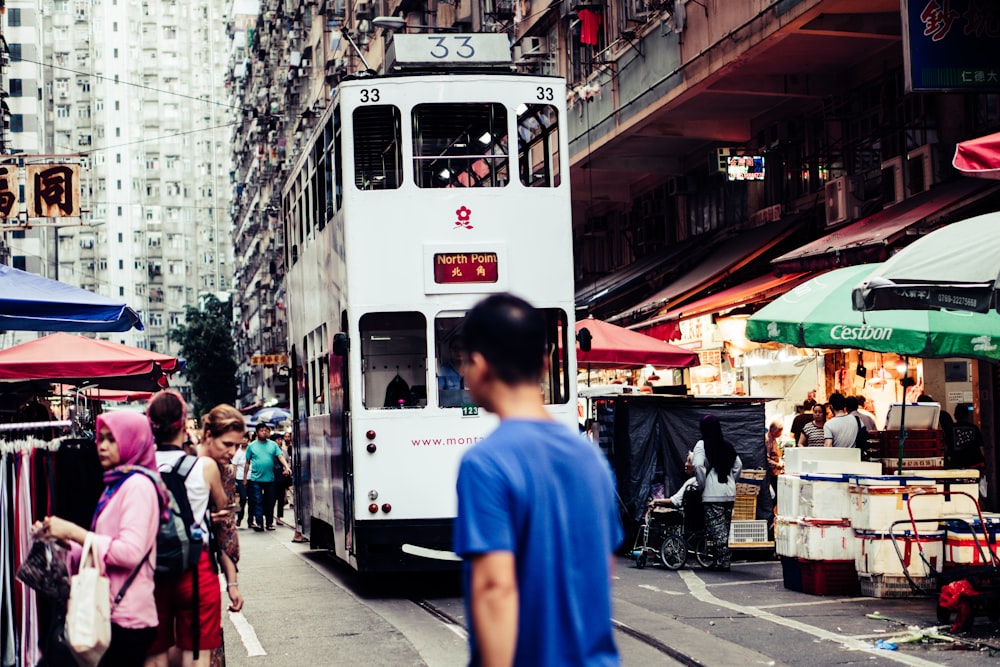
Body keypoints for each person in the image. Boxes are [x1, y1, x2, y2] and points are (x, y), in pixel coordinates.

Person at [453, 293, 622, 666]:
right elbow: (602, 571)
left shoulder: (485, 464)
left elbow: (495, 588)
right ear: (545, 364)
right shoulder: (590, 459)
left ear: (478, 367)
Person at [35, 411, 168, 667]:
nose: (102, 446)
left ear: (133, 441)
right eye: (100, 438)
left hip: (125, 617)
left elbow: (129, 553)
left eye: (112, 439)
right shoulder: (117, 484)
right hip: (108, 611)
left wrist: (74, 532)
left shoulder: (138, 486)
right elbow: (103, 544)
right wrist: (64, 541)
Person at [145, 392, 242, 667]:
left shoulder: (139, 465)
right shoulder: (205, 467)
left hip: (150, 565)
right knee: (196, 653)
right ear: (184, 422)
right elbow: (223, 515)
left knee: (154, 652)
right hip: (195, 566)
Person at [196, 404, 248, 667]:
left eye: (238, 446)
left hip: (204, 571)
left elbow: (225, 532)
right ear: (208, 435)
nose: (233, 452)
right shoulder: (183, 463)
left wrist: (232, 583)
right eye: (228, 444)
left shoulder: (226, 472)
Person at [692, 414, 742, 571]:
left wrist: (702, 484)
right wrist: (731, 479)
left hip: (712, 492)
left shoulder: (702, 444)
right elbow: (738, 465)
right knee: (724, 527)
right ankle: (721, 560)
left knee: (716, 528)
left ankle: (723, 561)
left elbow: (698, 466)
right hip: (729, 491)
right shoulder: (727, 445)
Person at [244, 423, 291, 531]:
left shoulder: (273, 445)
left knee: (270, 501)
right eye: (261, 430)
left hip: (270, 478)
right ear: (257, 432)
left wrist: (286, 467)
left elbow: (280, 456)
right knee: (258, 500)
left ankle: (269, 523)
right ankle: (260, 523)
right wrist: (245, 478)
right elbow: (247, 462)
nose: (264, 432)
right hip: (256, 479)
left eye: (266, 430)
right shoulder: (251, 446)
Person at [950, 403, 986, 471]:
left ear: (955, 415)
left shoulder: (951, 428)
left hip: (956, 462)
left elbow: (946, 447)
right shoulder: (974, 428)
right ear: (967, 415)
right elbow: (981, 447)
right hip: (973, 462)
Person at [231, 432, 250, 528]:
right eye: (241, 438)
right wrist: (233, 480)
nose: (243, 440)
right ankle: (239, 517)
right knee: (242, 499)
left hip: (252, 477)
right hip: (240, 478)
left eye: (245, 438)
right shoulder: (237, 453)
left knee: (253, 500)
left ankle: (251, 521)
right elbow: (234, 466)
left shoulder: (251, 450)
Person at [765, 421, 784, 494]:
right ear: (773, 431)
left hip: (775, 471)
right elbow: (766, 458)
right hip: (770, 472)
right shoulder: (767, 440)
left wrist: (780, 461)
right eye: (779, 432)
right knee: (774, 494)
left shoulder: (773, 439)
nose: (780, 434)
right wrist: (776, 464)